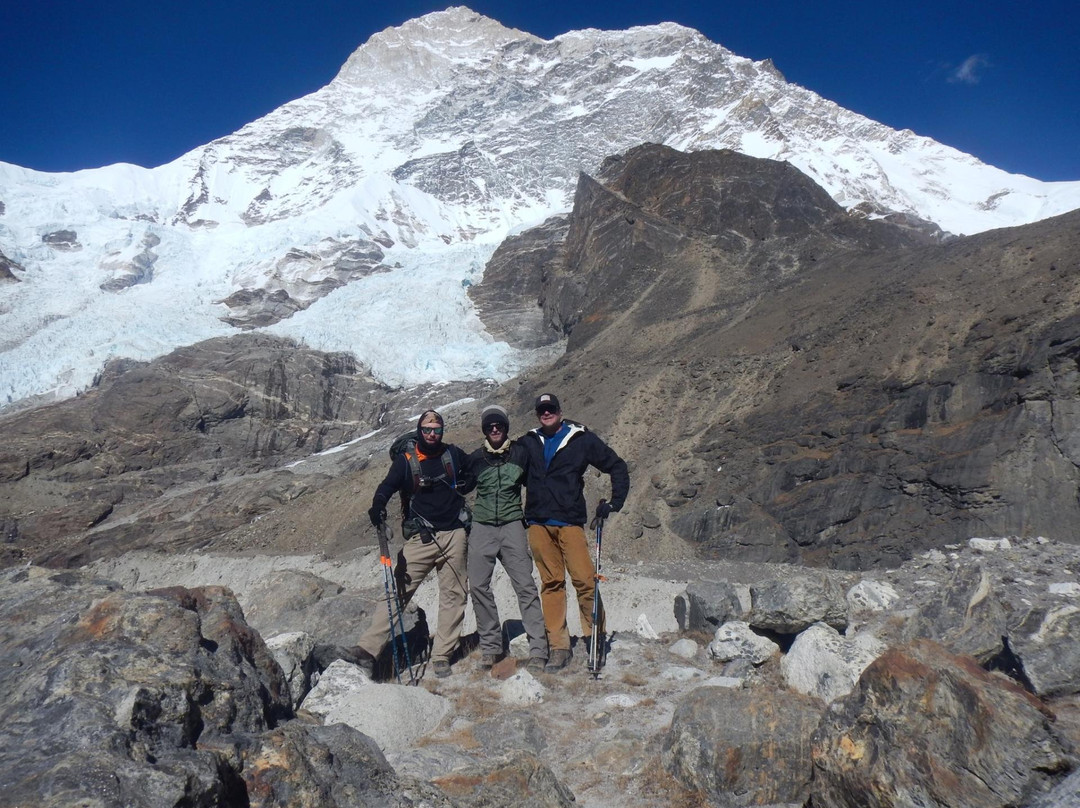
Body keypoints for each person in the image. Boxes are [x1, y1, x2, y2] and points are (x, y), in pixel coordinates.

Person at [356, 410, 474, 678]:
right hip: (421, 537)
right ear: (419, 430)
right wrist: (378, 506)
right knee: (398, 590)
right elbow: (387, 486)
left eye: (437, 429)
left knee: (454, 595)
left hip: (454, 534)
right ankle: (367, 649)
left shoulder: (452, 454)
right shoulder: (406, 460)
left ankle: (442, 654)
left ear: (442, 430)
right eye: (427, 429)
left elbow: (474, 468)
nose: (432, 434)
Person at [520, 393, 629, 672]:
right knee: (551, 583)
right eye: (542, 410)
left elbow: (616, 465)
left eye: (551, 409)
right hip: (538, 523)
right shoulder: (529, 441)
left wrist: (616, 502)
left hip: (569, 522)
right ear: (537, 414)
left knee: (584, 580)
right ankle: (559, 647)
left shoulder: (581, 439)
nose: (547, 413)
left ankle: (595, 638)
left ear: (560, 410)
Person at [466, 405, 549, 674]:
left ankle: (538, 649)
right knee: (478, 585)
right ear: (484, 430)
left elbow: (537, 479)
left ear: (505, 427)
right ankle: (491, 647)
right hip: (482, 526)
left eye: (498, 425)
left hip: (513, 524)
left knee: (525, 585)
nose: (494, 429)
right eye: (489, 426)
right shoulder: (475, 458)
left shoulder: (520, 453)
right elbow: (459, 485)